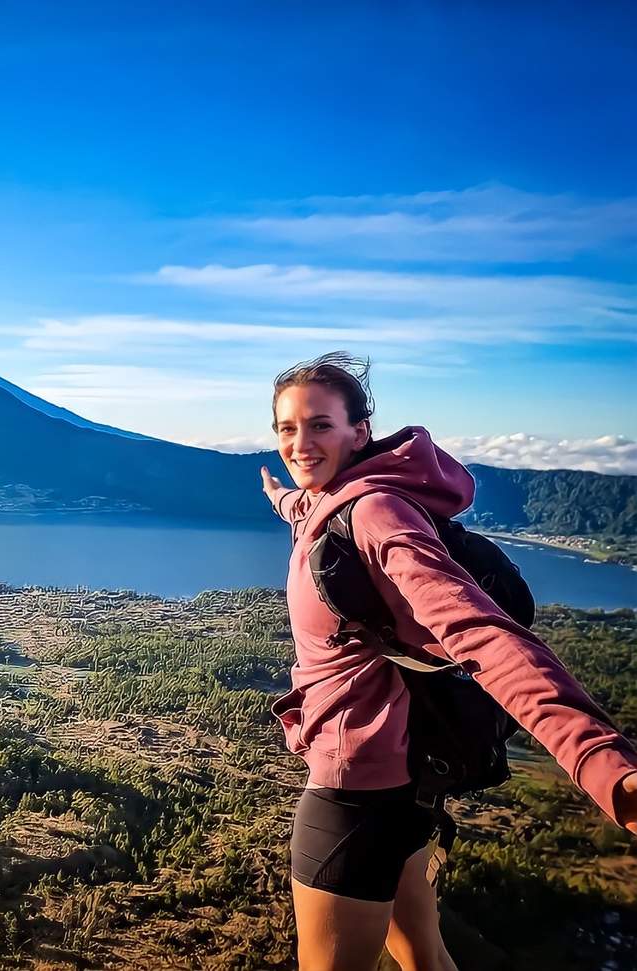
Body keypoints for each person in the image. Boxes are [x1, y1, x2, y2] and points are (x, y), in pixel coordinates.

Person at [256, 350, 637, 971]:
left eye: (319, 425)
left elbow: (480, 632)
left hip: (355, 792)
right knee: (425, 958)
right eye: (287, 429)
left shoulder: (376, 512)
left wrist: (600, 760)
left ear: (361, 431)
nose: (299, 444)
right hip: (403, 783)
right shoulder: (337, 497)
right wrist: (283, 500)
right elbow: (314, 510)